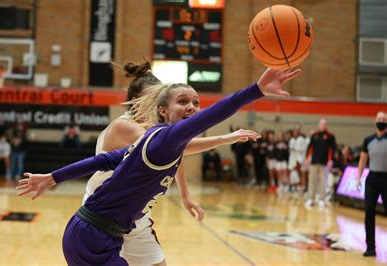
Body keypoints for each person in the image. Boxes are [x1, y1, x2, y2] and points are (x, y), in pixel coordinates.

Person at [16, 68, 300, 265]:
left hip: (101, 232)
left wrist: (53, 177)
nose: (192, 107)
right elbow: (215, 114)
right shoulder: (161, 138)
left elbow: (104, 160)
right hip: (93, 235)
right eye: (183, 101)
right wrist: (257, 90)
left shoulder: (155, 139)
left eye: (195, 102)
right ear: (162, 110)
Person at [82, 60, 256, 265]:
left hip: (135, 216)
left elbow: (175, 152)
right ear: (138, 101)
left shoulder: (156, 128)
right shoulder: (125, 126)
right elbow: (177, 145)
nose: (159, 103)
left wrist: (185, 195)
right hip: (104, 213)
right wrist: (222, 139)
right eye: (155, 98)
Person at [356, 111, 387, 257]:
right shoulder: (368, 140)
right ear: (375, 121)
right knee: (369, 213)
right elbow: (362, 161)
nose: (381, 121)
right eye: (379, 119)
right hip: (372, 180)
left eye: (384, 119)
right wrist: (358, 178)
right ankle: (370, 248)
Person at [304, 118, 336, 209]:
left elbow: (332, 149)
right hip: (314, 162)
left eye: (325, 124)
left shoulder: (330, 136)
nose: (323, 125)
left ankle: (322, 199)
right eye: (322, 124)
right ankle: (311, 199)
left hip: (324, 163)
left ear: (326, 126)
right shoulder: (314, 135)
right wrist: (307, 159)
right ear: (318, 125)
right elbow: (310, 148)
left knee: (323, 181)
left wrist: (330, 160)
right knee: (312, 180)